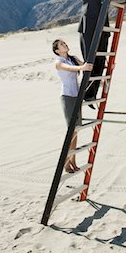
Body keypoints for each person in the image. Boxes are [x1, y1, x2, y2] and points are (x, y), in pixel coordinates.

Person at [78, 0, 124, 101]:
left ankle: (91, 95)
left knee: (100, 61)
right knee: (90, 62)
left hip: (103, 26)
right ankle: (83, 94)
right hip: (89, 26)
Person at [52, 39, 93, 173]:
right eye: (61, 45)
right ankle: (65, 163)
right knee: (72, 130)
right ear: (57, 51)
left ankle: (73, 162)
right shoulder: (58, 62)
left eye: (64, 43)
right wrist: (81, 68)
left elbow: (87, 66)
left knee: (76, 130)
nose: (65, 45)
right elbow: (69, 69)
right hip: (67, 97)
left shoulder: (73, 58)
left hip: (77, 97)